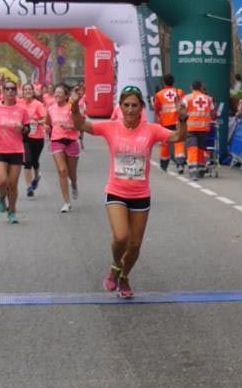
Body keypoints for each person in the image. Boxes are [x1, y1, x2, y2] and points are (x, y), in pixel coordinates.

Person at [72, 86, 186, 298]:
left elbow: (178, 136)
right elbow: (80, 124)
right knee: (121, 237)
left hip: (141, 194)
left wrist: (183, 119)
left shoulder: (151, 130)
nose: (131, 109)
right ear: (120, 107)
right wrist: (74, 106)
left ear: (142, 107)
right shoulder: (111, 127)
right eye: (126, 105)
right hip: (116, 191)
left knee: (134, 245)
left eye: (135, 105)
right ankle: (116, 267)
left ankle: (124, 277)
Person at [0, 81, 31, 223]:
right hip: (0, 149)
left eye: (13, 89)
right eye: (7, 89)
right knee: (2, 181)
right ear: (3, 91)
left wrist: (22, 129)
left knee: (13, 184)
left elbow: (28, 129)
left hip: (16, 150)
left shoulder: (22, 109)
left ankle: (12, 212)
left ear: (16, 91)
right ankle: (1, 197)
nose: (10, 91)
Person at [45, 84, 82, 213]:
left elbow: (80, 126)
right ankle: (67, 202)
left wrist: (69, 127)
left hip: (72, 141)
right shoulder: (51, 109)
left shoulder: (72, 108)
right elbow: (47, 123)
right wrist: (46, 128)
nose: (57, 95)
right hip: (56, 141)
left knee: (72, 174)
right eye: (56, 93)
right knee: (62, 171)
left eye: (60, 93)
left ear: (66, 96)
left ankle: (74, 185)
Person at [182, 80, 217, 179]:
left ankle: (193, 171)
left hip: (191, 127)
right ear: (201, 87)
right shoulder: (208, 99)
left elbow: (182, 112)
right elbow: (213, 114)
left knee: (193, 148)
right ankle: (201, 169)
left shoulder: (187, 98)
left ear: (191, 87)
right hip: (204, 127)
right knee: (201, 148)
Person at [20, 83, 48, 198]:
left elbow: (46, 119)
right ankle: (29, 187)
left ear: (33, 91)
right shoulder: (19, 104)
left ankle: (36, 177)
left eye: (30, 89)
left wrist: (37, 122)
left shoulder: (38, 104)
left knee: (35, 161)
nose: (28, 91)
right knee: (27, 161)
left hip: (37, 137)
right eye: (25, 89)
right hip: (24, 137)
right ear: (22, 92)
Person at [153, 74, 185, 172]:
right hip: (177, 121)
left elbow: (156, 109)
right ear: (173, 81)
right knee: (179, 142)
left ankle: (164, 164)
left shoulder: (159, 94)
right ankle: (180, 164)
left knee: (165, 143)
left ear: (164, 82)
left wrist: (159, 118)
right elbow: (184, 106)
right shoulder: (180, 92)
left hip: (165, 122)